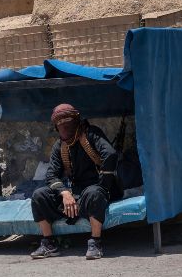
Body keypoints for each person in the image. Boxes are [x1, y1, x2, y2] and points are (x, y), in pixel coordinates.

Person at [30, 103, 119, 260]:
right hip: (74, 193)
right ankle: (48, 243)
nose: (64, 125)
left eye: (67, 120)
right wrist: (65, 193)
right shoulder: (60, 146)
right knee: (39, 195)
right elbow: (51, 175)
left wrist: (104, 185)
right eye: (59, 123)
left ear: (77, 120)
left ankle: (95, 242)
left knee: (93, 193)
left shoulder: (92, 134)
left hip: (95, 189)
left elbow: (110, 155)